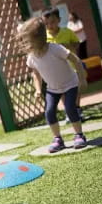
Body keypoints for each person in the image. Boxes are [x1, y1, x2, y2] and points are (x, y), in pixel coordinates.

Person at [17, 18, 88, 153]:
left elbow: (76, 60)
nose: (25, 43)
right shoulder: (31, 57)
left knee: (70, 108)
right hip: (52, 88)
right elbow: (35, 74)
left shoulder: (55, 49)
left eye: (28, 40)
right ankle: (57, 139)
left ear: (38, 38)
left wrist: (82, 79)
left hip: (70, 83)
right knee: (49, 112)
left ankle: (79, 135)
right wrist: (38, 90)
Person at [43, 7, 84, 121]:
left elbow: (76, 43)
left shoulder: (67, 32)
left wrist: (69, 46)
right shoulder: (44, 37)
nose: (50, 25)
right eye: (46, 24)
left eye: (52, 22)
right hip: (56, 69)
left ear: (59, 20)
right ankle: (69, 111)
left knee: (75, 88)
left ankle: (77, 108)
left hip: (71, 64)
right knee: (61, 91)